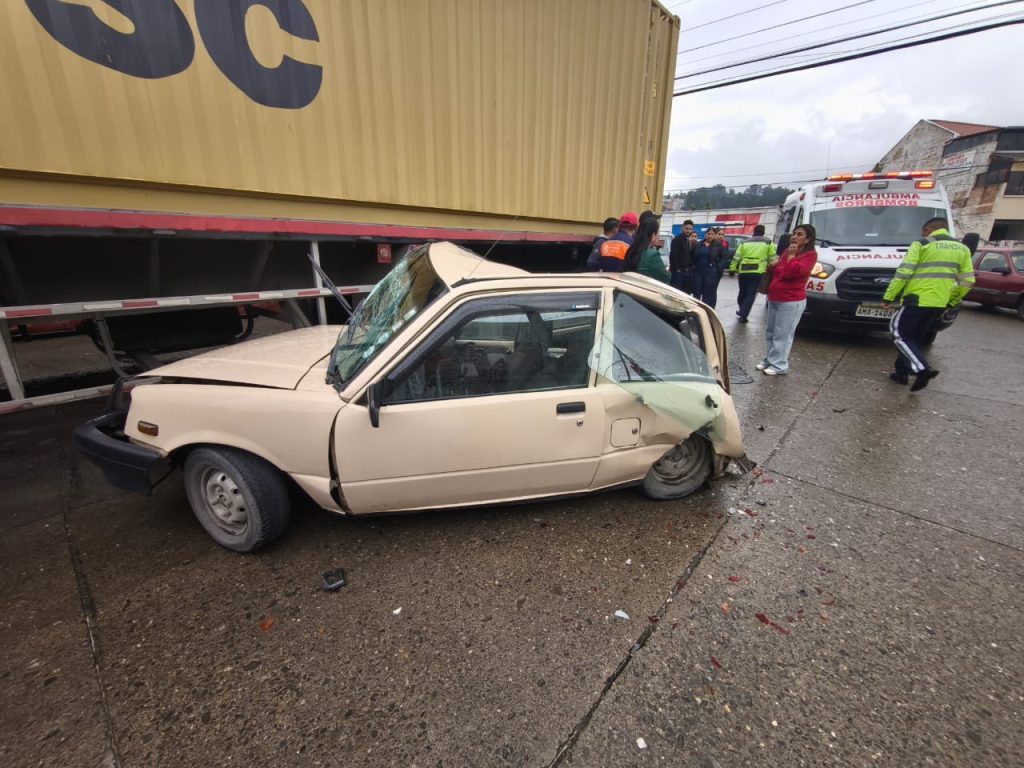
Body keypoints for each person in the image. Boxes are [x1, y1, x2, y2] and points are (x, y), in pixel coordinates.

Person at [882, 216, 975, 391]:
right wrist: (951, 300)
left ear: (928, 229)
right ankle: (901, 372)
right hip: (939, 302)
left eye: (923, 231)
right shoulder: (963, 249)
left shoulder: (922, 244)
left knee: (899, 334)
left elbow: (904, 272)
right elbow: (968, 280)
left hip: (917, 298)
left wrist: (889, 296)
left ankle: (922, 369)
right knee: (914, 338)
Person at [757, 224, 817, 375]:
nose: (795, 237)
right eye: (794, 234)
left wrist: (790, 259)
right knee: (771, 331)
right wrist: (776, 265)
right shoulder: (786, 251)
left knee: (783, 333)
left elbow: (790, 273)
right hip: (775, 297)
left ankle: (780, 365)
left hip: (791, 300)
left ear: (808, 239)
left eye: (800, 234)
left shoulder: (809, 255)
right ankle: (770, 359)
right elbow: (775, 269)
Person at [729, 224, 774, 323]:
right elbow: (772, 258)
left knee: (742, 292)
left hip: (743, 271)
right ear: (763, 232)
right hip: (758, 272)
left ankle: (742, 310)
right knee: (751, 293)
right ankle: (743, 314)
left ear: (754, 231)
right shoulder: (768, 242)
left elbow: (736, 256)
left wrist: (732, 269)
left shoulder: (744, 242)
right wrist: (771, 271)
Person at [624, 215, 670, 283]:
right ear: (653, 235)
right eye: (658, 233)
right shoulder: (652, 255)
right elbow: (666, 278)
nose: (659, 236)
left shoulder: (630, 250)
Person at [692, 228, 727, 307]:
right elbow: (693, 255)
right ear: (705, 234)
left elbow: (723, 258)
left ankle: (706, 311)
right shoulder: (699, 244)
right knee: (697, 292)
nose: (710, 236)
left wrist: (718, 268)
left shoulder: (718, 245)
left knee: (707, 293)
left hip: (710, 272)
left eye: (712, 234)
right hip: (698, 271)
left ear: (714, 235)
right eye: (708, 234)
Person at [669, 219, 696, 292]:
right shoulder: (677, 239)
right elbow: (673, 255)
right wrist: (677, 270)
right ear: (682, 228)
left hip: (685, 272)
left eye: (690, 229)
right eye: (686, 228)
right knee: (675, 292)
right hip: (678, 272)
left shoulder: (687, 240)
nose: (688, 231)